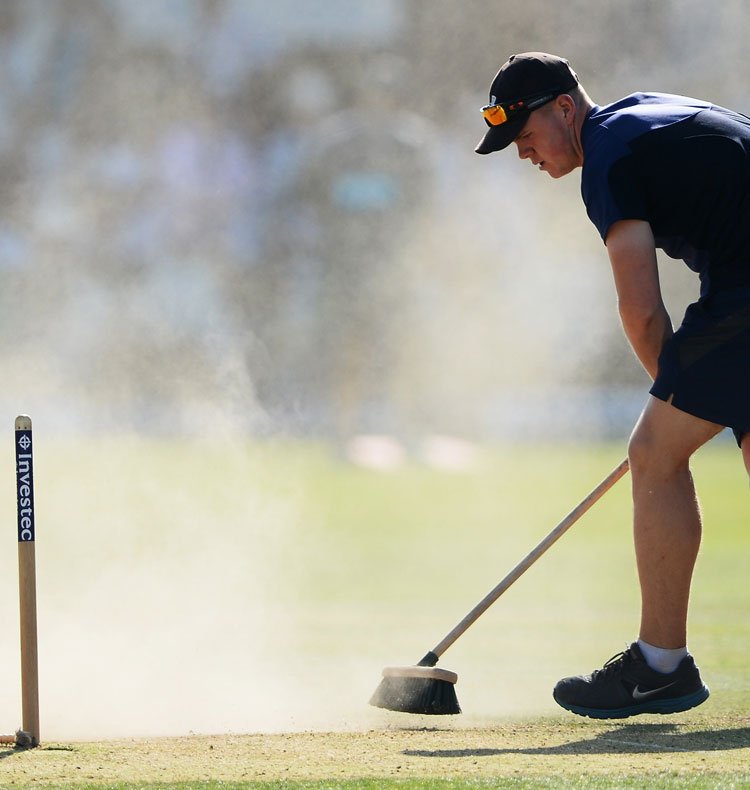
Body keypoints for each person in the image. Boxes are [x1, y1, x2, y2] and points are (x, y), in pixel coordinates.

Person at [475, 52, 750, 719]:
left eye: (525, 135)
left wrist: (677, 398)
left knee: (654, 456)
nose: (523, 154)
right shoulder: (633, 117)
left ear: (564, 108)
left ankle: (660, 668)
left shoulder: (607, 161)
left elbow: (641, 310)